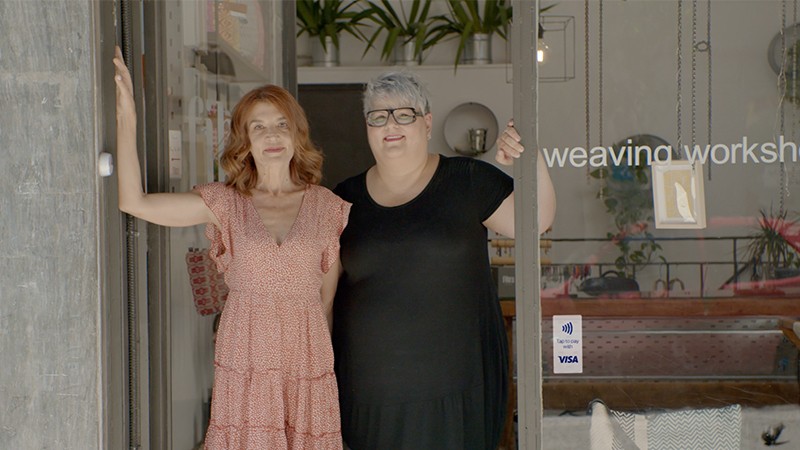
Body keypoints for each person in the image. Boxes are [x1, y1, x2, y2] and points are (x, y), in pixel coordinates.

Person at [113, 46, 350, 449]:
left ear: (296, 133)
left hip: (306, 359)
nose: (272, 135)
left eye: (281, 124)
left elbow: (327, 299)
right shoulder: (226, 202)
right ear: (246, 141)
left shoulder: (328, 207)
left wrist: (319, 370)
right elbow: (134, 202)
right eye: (258, 127)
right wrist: (127, 119)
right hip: (248, 356)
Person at [331, 71, 556, 450]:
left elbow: (536, 220)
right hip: (369, 392)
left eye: (405, 114)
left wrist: (530, 154)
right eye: (378, 116)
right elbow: (324, 293)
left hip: (457, 386)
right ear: (367, 126)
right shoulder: (343, 199)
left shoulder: (467, 180)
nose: (391, 125)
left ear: (427, 121)